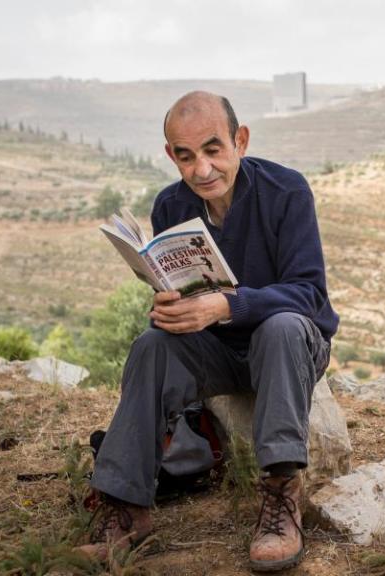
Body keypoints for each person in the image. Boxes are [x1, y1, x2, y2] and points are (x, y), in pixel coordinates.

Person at [77, 91, 338, 572]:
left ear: (240, 140)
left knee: (280, 327)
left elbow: (309, 295)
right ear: (170, 154)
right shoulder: (171, 204)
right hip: (216, 353)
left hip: (286, 348)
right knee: (152, 344)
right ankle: (127, 507)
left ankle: (281, 496)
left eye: (213, 149)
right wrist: (170, 309)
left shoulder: (288, 191)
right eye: (186, 155)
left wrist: (226, 305)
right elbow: (180, 295)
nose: (202, 169)